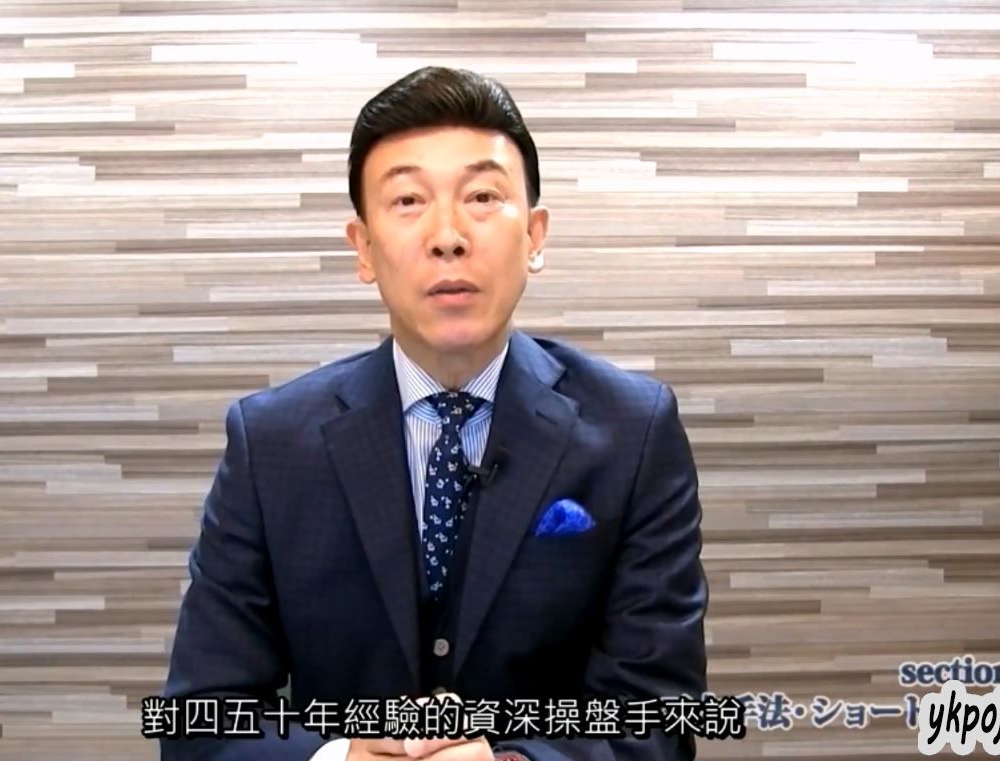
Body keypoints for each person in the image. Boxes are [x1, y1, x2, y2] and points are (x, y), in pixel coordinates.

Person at [161, 66, 708, 761]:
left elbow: (659, 718)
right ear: (363, 248)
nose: (447, 235)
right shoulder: (269, 443)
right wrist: (341, 758)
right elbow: (199, 721)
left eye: (482, 196)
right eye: (408, 200)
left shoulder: (634, 431)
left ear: (534, 235)